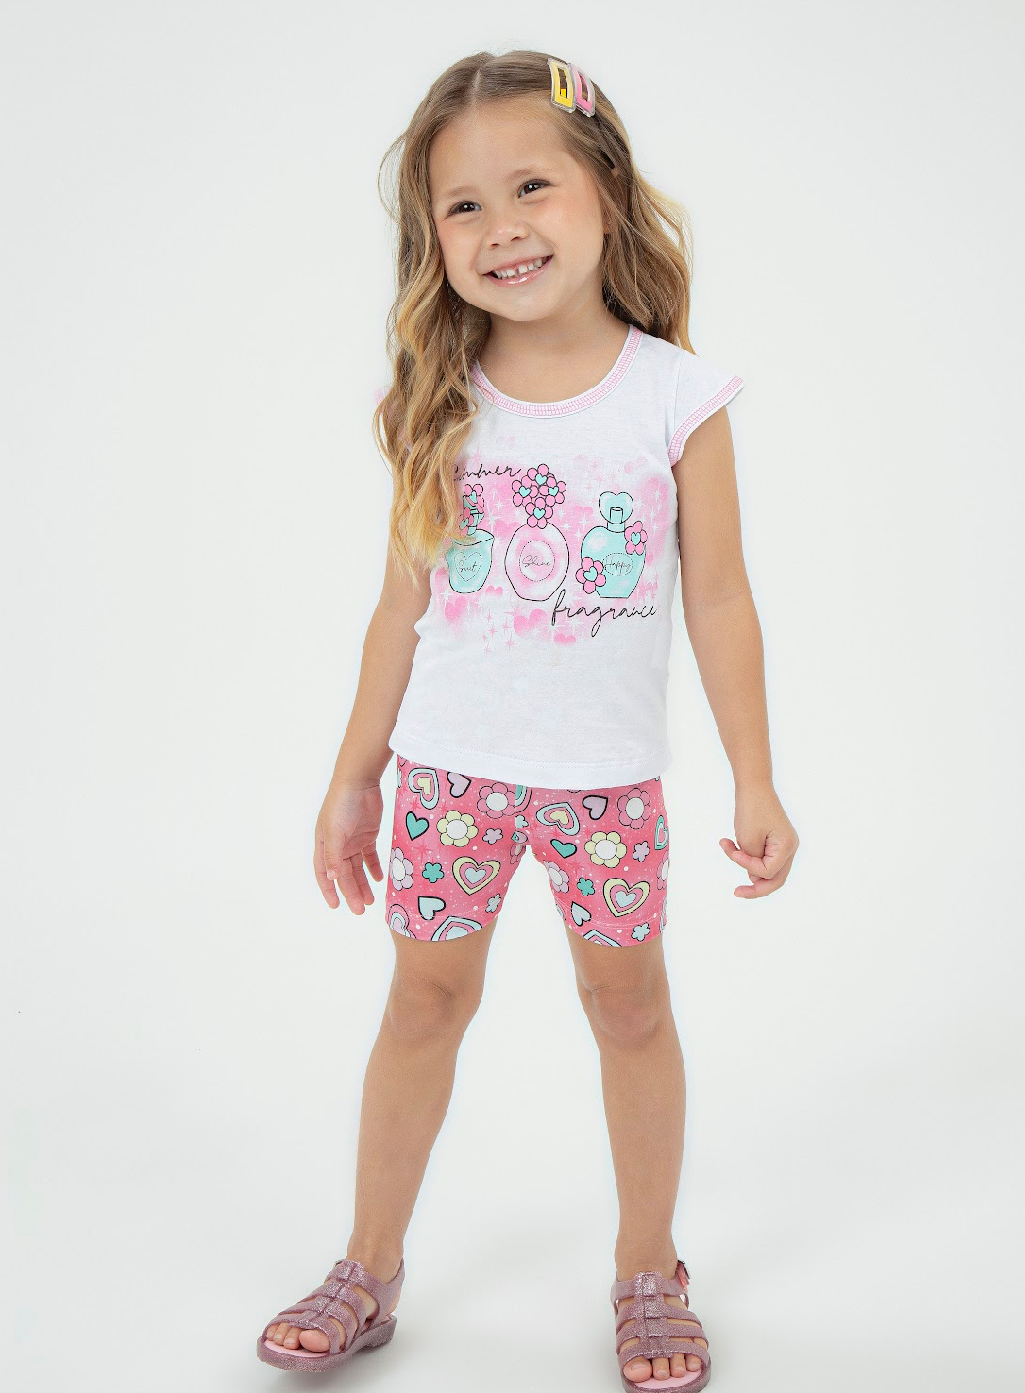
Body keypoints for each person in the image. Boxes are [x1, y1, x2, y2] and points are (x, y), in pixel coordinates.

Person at [256, 49, 799, 1391]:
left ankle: (649, 1268)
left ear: (605, 191)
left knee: (631, 1014)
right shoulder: (433, 406)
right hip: (452, 779)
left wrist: (757, 778)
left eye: (532, 188)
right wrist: (353, 776)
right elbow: (398, 610)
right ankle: (368, 1265)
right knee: (422, 1005)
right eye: (463, 205)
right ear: (430, 238)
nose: (502, 227)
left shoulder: (677, 399)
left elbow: (720, 601)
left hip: (607, 786)